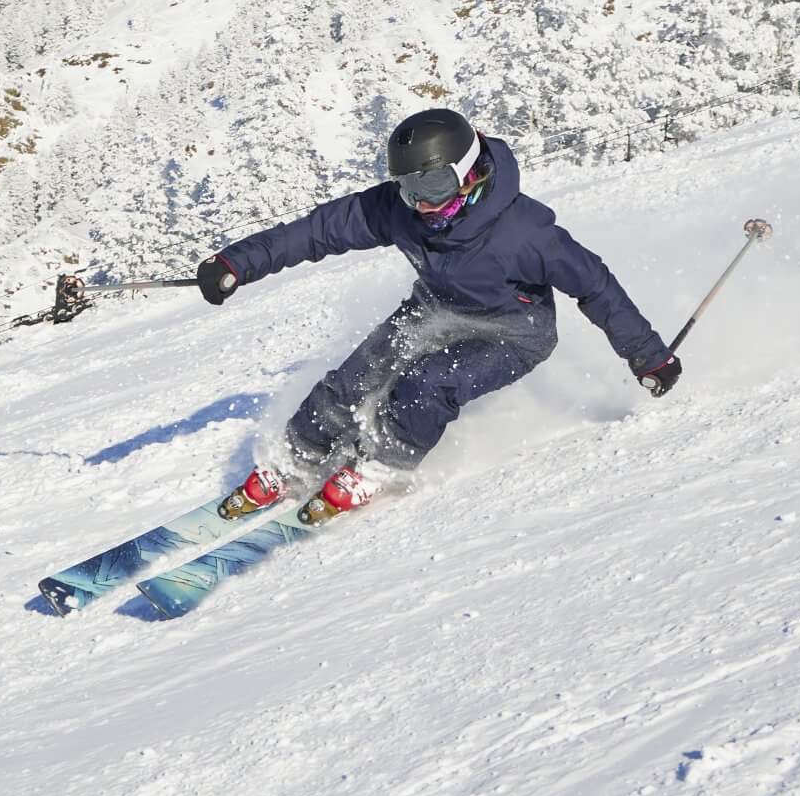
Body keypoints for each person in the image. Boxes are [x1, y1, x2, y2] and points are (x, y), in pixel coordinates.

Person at [191, 106, 680, 525]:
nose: (422, 201)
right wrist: (237, 263)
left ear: (470, 171)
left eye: (435, 182)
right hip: (436, 308)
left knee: (428, 382)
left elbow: (595, 286)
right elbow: (318, 231)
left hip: (514, 333)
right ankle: (297, 458)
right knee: (355, 378)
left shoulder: (525, 233)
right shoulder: (402, 211)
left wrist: (649, 358)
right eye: (407, 186)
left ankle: (383, 465)